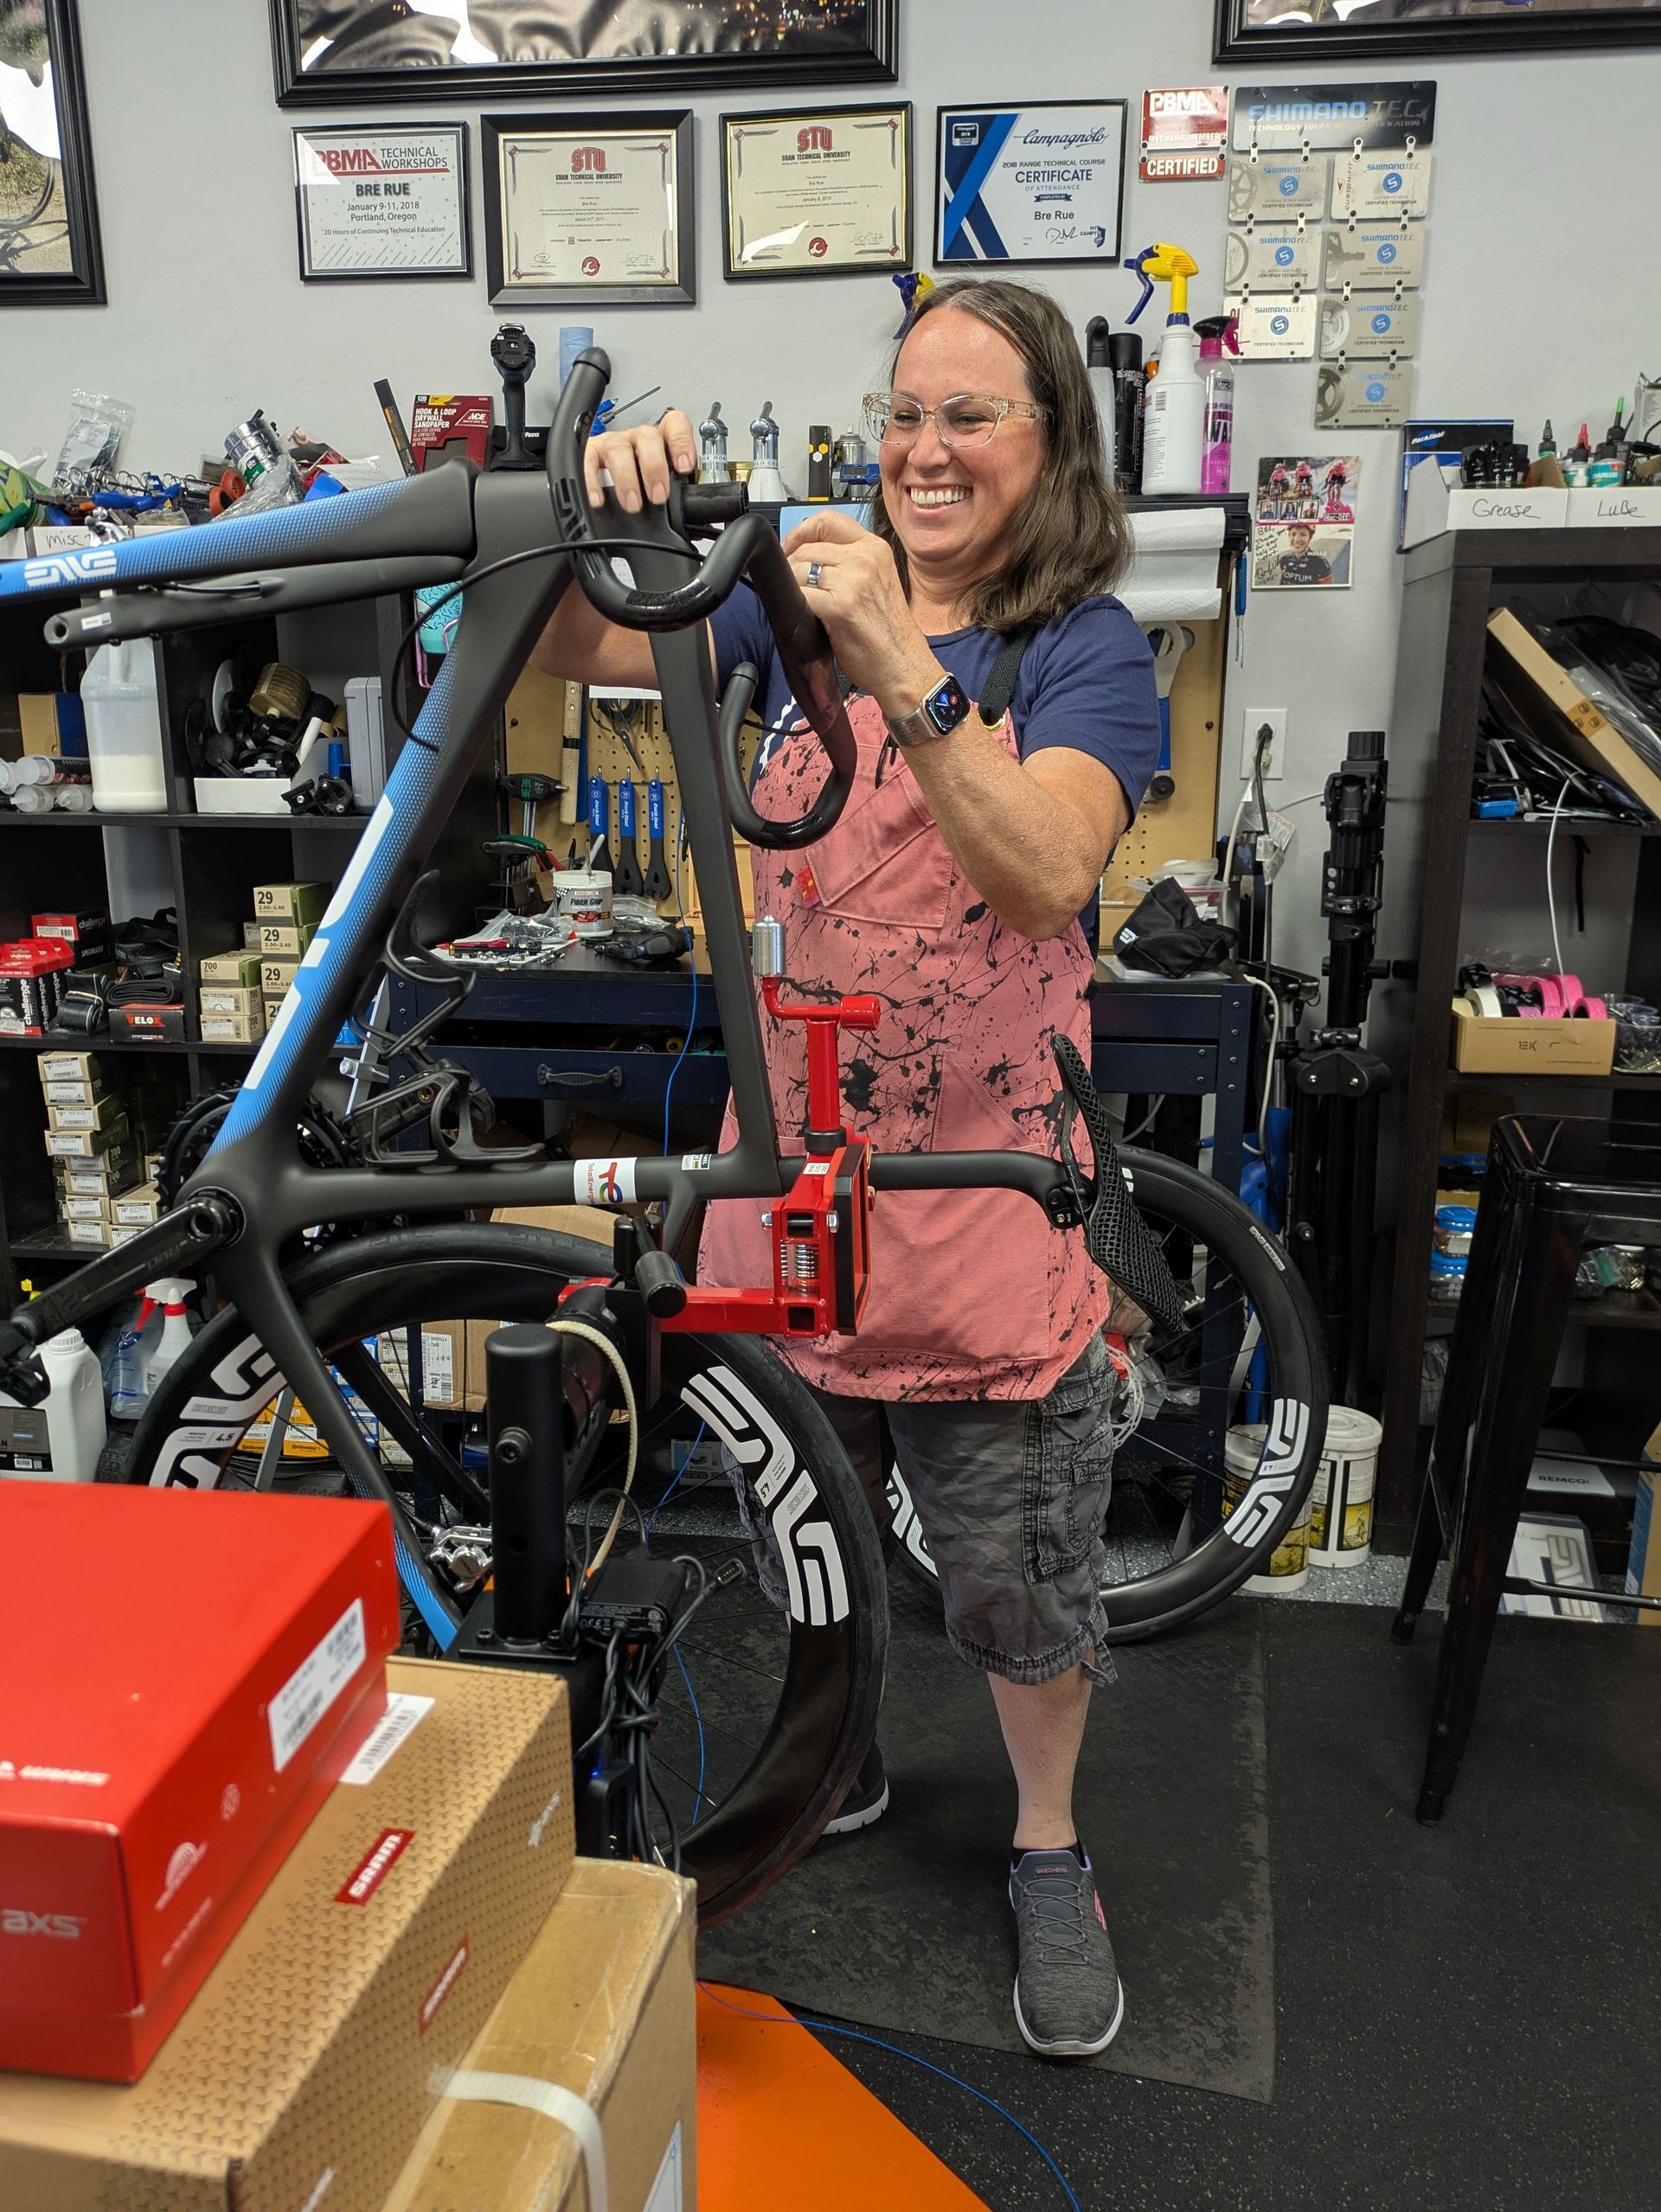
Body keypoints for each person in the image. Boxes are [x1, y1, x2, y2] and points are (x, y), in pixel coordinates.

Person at [534, 275, 1159, 2059]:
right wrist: (609, 515)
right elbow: (555, 645)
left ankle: (1050, 1845)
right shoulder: (780, 613)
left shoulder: (1082, 651)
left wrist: (906, 656)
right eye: (904, 413)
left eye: (972, 415)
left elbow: (1043, 872)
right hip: (803, 1189)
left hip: (980, 1207)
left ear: (1051, 449)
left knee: (1015, 1569)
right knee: (810, 1518)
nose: (925, 450)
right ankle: (852, 1751)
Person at [1278, 522, 1334, 586]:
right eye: (1293, 534)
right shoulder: (1284, 559)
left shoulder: (1321, 563)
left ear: (1310, 538)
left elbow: (1327, 591)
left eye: (1303, 534)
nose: (1297, 540)